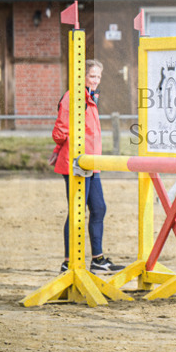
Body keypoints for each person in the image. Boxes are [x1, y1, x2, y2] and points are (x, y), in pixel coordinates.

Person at [50, 59, 122, 275]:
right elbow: (60, 130)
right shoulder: (73, 96)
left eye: (98, 77)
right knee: (77, 211)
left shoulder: (90, 97)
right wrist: (59, 149)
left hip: (93, 162)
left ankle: (97, 259)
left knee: (99, 208)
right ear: (81, 76)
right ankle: (67, 261)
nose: (96, 80)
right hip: (76, 162)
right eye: (92, 76)